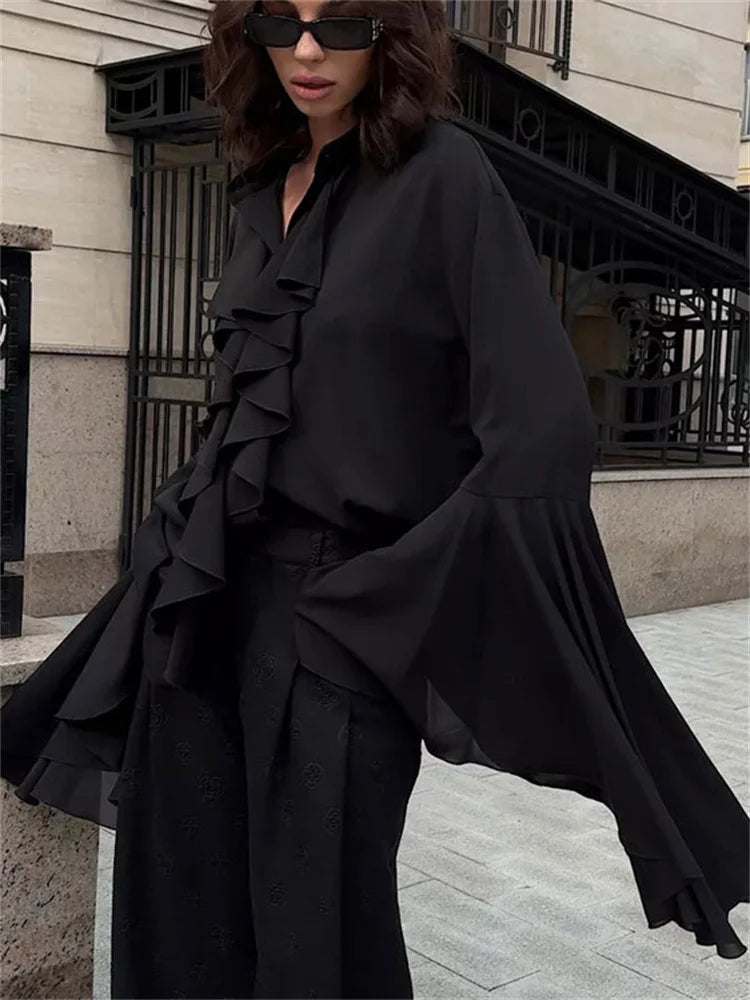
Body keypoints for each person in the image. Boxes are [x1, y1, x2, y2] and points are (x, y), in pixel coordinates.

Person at [1, 0, 748, 997]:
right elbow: (250, 417)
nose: (307, 50)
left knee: (320, 934)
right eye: (282, 20)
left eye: (341, 23)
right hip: (210, 617)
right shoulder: (261, 186)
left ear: (391, 34)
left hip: (341, 622)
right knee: (184, 902)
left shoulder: (444, 178)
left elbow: (542, 432)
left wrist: (402, 592)